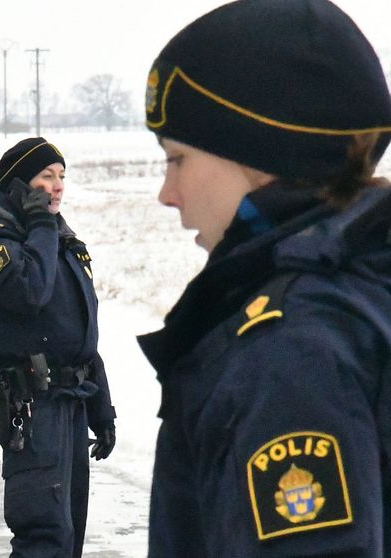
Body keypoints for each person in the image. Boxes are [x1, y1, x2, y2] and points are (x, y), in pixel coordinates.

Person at [138, 0, 391, 555]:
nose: (167, 194)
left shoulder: (290, 353)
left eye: (178, 159)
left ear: (258, 156)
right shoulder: (364, 286)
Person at [0, 137, 117, 557]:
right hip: (31, 406)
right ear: (19, 185)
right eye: (46, 176)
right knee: (44, 536)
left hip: (70, 403)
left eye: (62, 176)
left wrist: (101, 409)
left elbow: (78, 336)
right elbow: (30, 292)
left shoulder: (58, 240)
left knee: (68, 538)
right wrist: (42, 225)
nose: (58, 185)